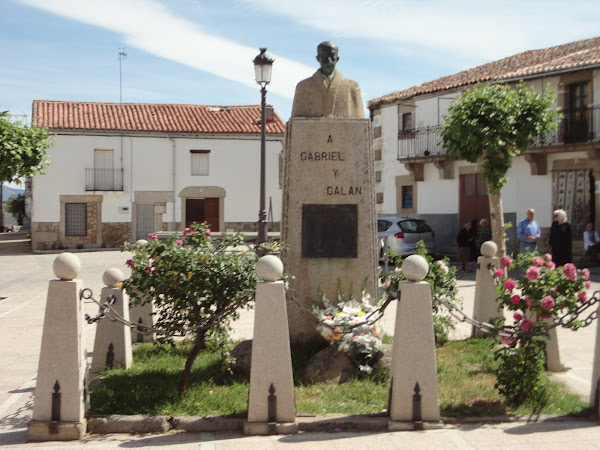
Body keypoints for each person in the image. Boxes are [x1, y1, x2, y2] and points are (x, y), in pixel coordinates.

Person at [291, 41, 364, 119]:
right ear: (318, 58)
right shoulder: (303, 87)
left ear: (337, 59)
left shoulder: (352, 87)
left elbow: (360, 125)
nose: (329, 60)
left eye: (332, 56)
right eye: (325, 55)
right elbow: (296, 124)